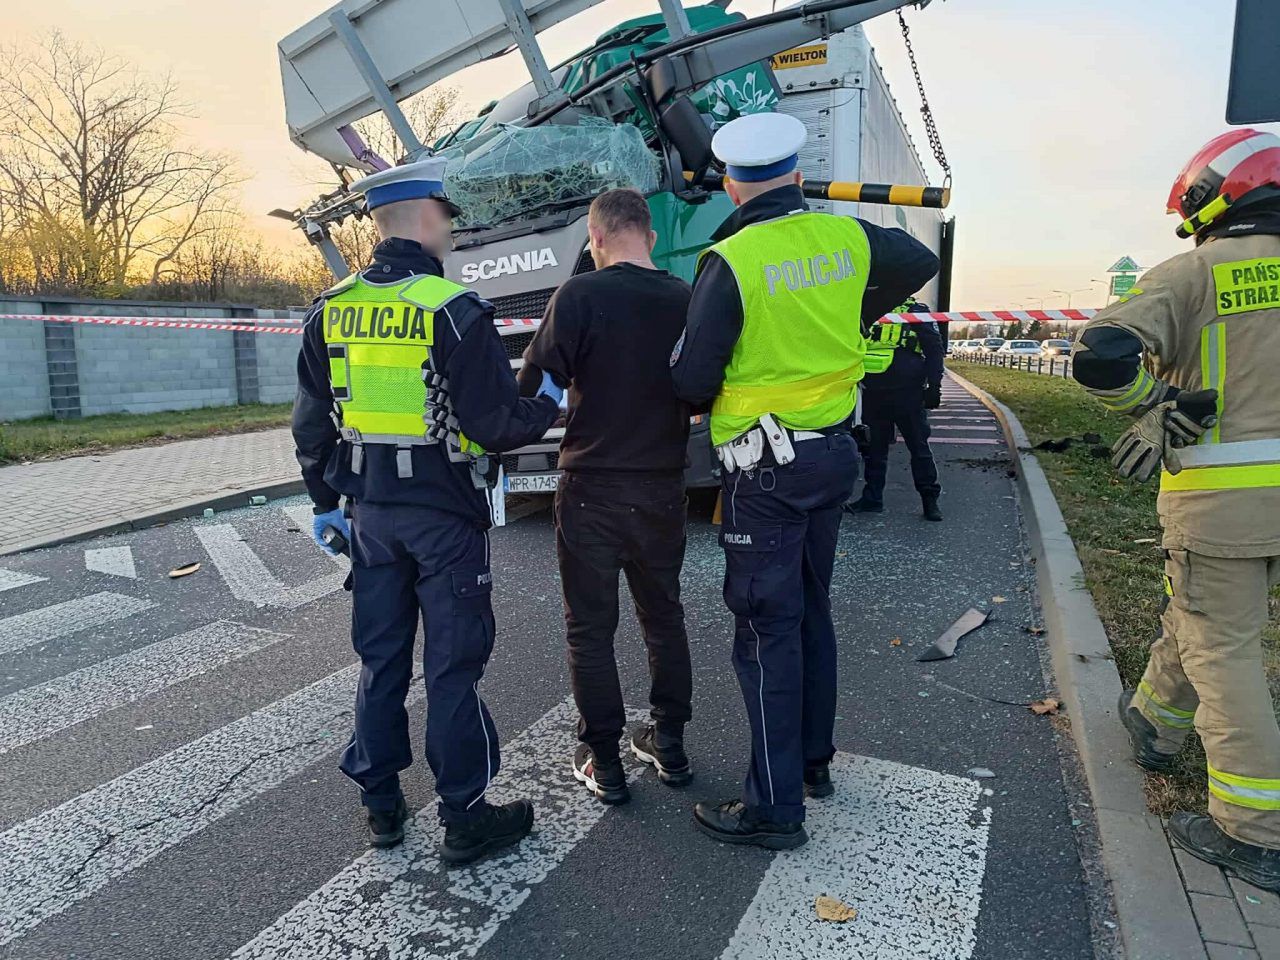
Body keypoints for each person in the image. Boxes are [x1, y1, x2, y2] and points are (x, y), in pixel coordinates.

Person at [671, 112, 939, 849]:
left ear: (731, 183)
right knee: (810, 607)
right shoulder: (848, 238)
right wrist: (852, 315)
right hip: (832, 455)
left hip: (764, 471)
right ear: (796, 174)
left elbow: (694, 382)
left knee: (765, 632)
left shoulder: (733, 258)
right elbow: (916, 259)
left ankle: (774, 808)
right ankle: (812, 765)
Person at [291, 157, 563, 863]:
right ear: (429, 215)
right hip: (443, 518)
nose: (453, 229)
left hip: (370, 516)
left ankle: (381, 805)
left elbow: (311, 424)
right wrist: (551, 401)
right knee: (451, 668)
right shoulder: (453, 309)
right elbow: (497, 424)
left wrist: (326, 503)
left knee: (381, 662)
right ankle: (465, 816)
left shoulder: (332, 306)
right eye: (450, 215)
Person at [1073, 128, 1280, 890]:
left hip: (1226, 502)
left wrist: (1155, 405)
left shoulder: (1198, 272)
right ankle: (1156, 724)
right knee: (1195, 620)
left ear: (1215, 194)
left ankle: (1257, 831)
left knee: (1222, 646)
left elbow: (1098, 352)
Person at [517, 187, 695, 805]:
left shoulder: (580, 294)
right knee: (663, 615)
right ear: (649, 235)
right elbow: (701, 387)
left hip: (591, 485)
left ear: (595, 239)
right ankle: (668, 742)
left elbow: (537, 382)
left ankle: (604, 762)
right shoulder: (685, 297)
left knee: (589, 630)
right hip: (663, 486)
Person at [846, 297, 945, 520]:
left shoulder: (916, 311)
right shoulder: (866, 308)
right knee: (873, 449)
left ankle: (930, 500)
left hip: (908, 393)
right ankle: (872, 499)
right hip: (872, 390)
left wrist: (934, 386)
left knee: (918, 447)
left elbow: (934, 349)